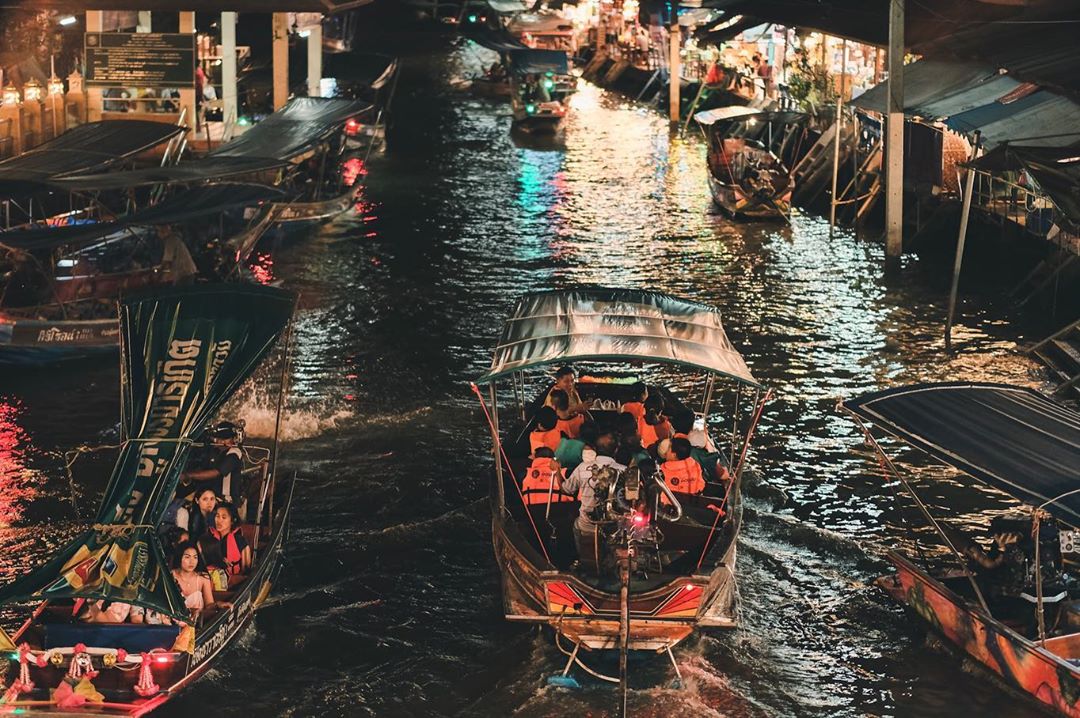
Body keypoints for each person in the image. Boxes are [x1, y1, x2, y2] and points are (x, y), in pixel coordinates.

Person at [560, 433, 626, 573]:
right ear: (616, 450)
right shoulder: (623, 470)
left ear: (595, 449)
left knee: (577, 525)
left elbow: (566, 489)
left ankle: (583, 559)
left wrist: (556, 473)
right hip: (614, 526)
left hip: (587, 524)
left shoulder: (582, 468)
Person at [180, 422, 244, 505]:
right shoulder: (215, 451)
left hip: (227, 502)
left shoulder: (234, 453)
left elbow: (215, 473)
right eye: (219, 438)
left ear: (234, 439)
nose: (221, 441)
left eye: (225, 438)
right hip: (212, 497)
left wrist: (188, 475)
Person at [171, 541, 229, 617]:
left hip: (198, 624)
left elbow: (209, 605)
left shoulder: (203, 578)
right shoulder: (171, 576)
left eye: (195, 557)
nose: (192, 562)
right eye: (187, 557)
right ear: (179, 557)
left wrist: (218, 604)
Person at [207, 503, 252, 576]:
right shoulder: (209, 537)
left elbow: (246, 570)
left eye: (224, 517)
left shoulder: (240, 541)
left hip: (233, 581)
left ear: (232, 520)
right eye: (217, 516)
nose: (219, 520)